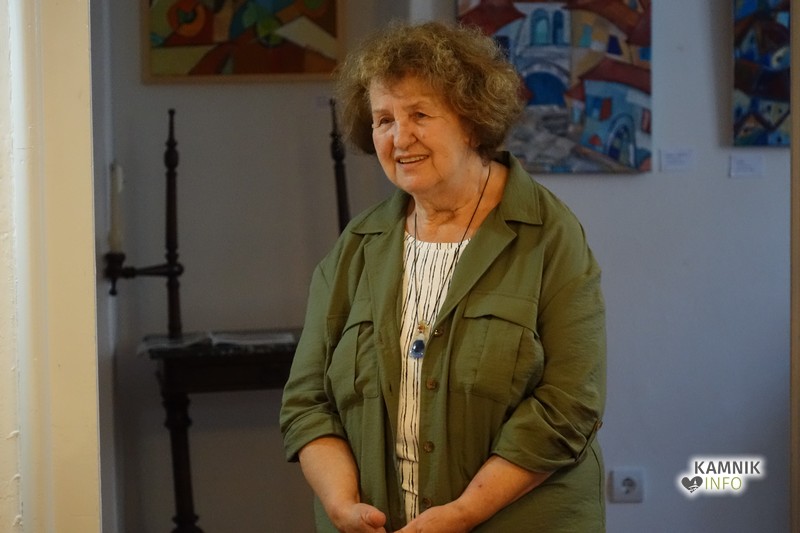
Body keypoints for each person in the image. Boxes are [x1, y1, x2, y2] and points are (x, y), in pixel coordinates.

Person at [280, 20, 606, 533]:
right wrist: (342, 505)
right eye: (383, 119)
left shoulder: (549, 236)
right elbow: (307, 402)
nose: (399, 137)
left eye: (419, 114)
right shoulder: (357, 245)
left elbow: (570, 406)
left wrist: (463, 513)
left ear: (472, 122)